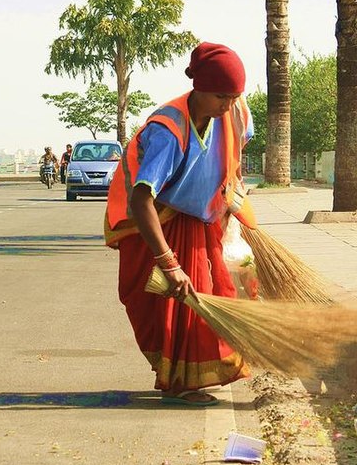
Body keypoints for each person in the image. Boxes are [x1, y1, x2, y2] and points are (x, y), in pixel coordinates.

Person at [105, 42, 257, 407]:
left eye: (234, 95)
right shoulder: (168, 130)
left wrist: (226, 196)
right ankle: (179, 380)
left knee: (211, 291)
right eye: (221, 95)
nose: (228, 104)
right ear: (199, 89)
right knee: (167, 301)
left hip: (200, 215)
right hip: (156, 221)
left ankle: (190, 376)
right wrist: (168, 262)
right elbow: (142, 199)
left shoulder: (234, 112)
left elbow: (236, 150)